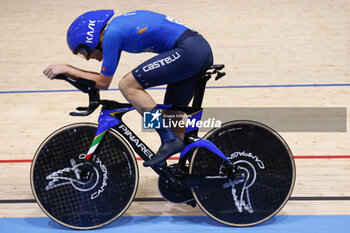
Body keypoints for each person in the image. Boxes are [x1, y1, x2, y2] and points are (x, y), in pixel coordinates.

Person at [43, 10, 213, 167]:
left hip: (189, 51)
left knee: (127, 85)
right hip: (195, 50)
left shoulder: (111, 35)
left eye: (83, 52)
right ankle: (191, 170)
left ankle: (167, 139)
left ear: (91, 38)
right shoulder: (115, 31)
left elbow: (103, 83)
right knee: (171, 117)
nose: (86, 58)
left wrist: (68, 69)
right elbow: (101, 79)